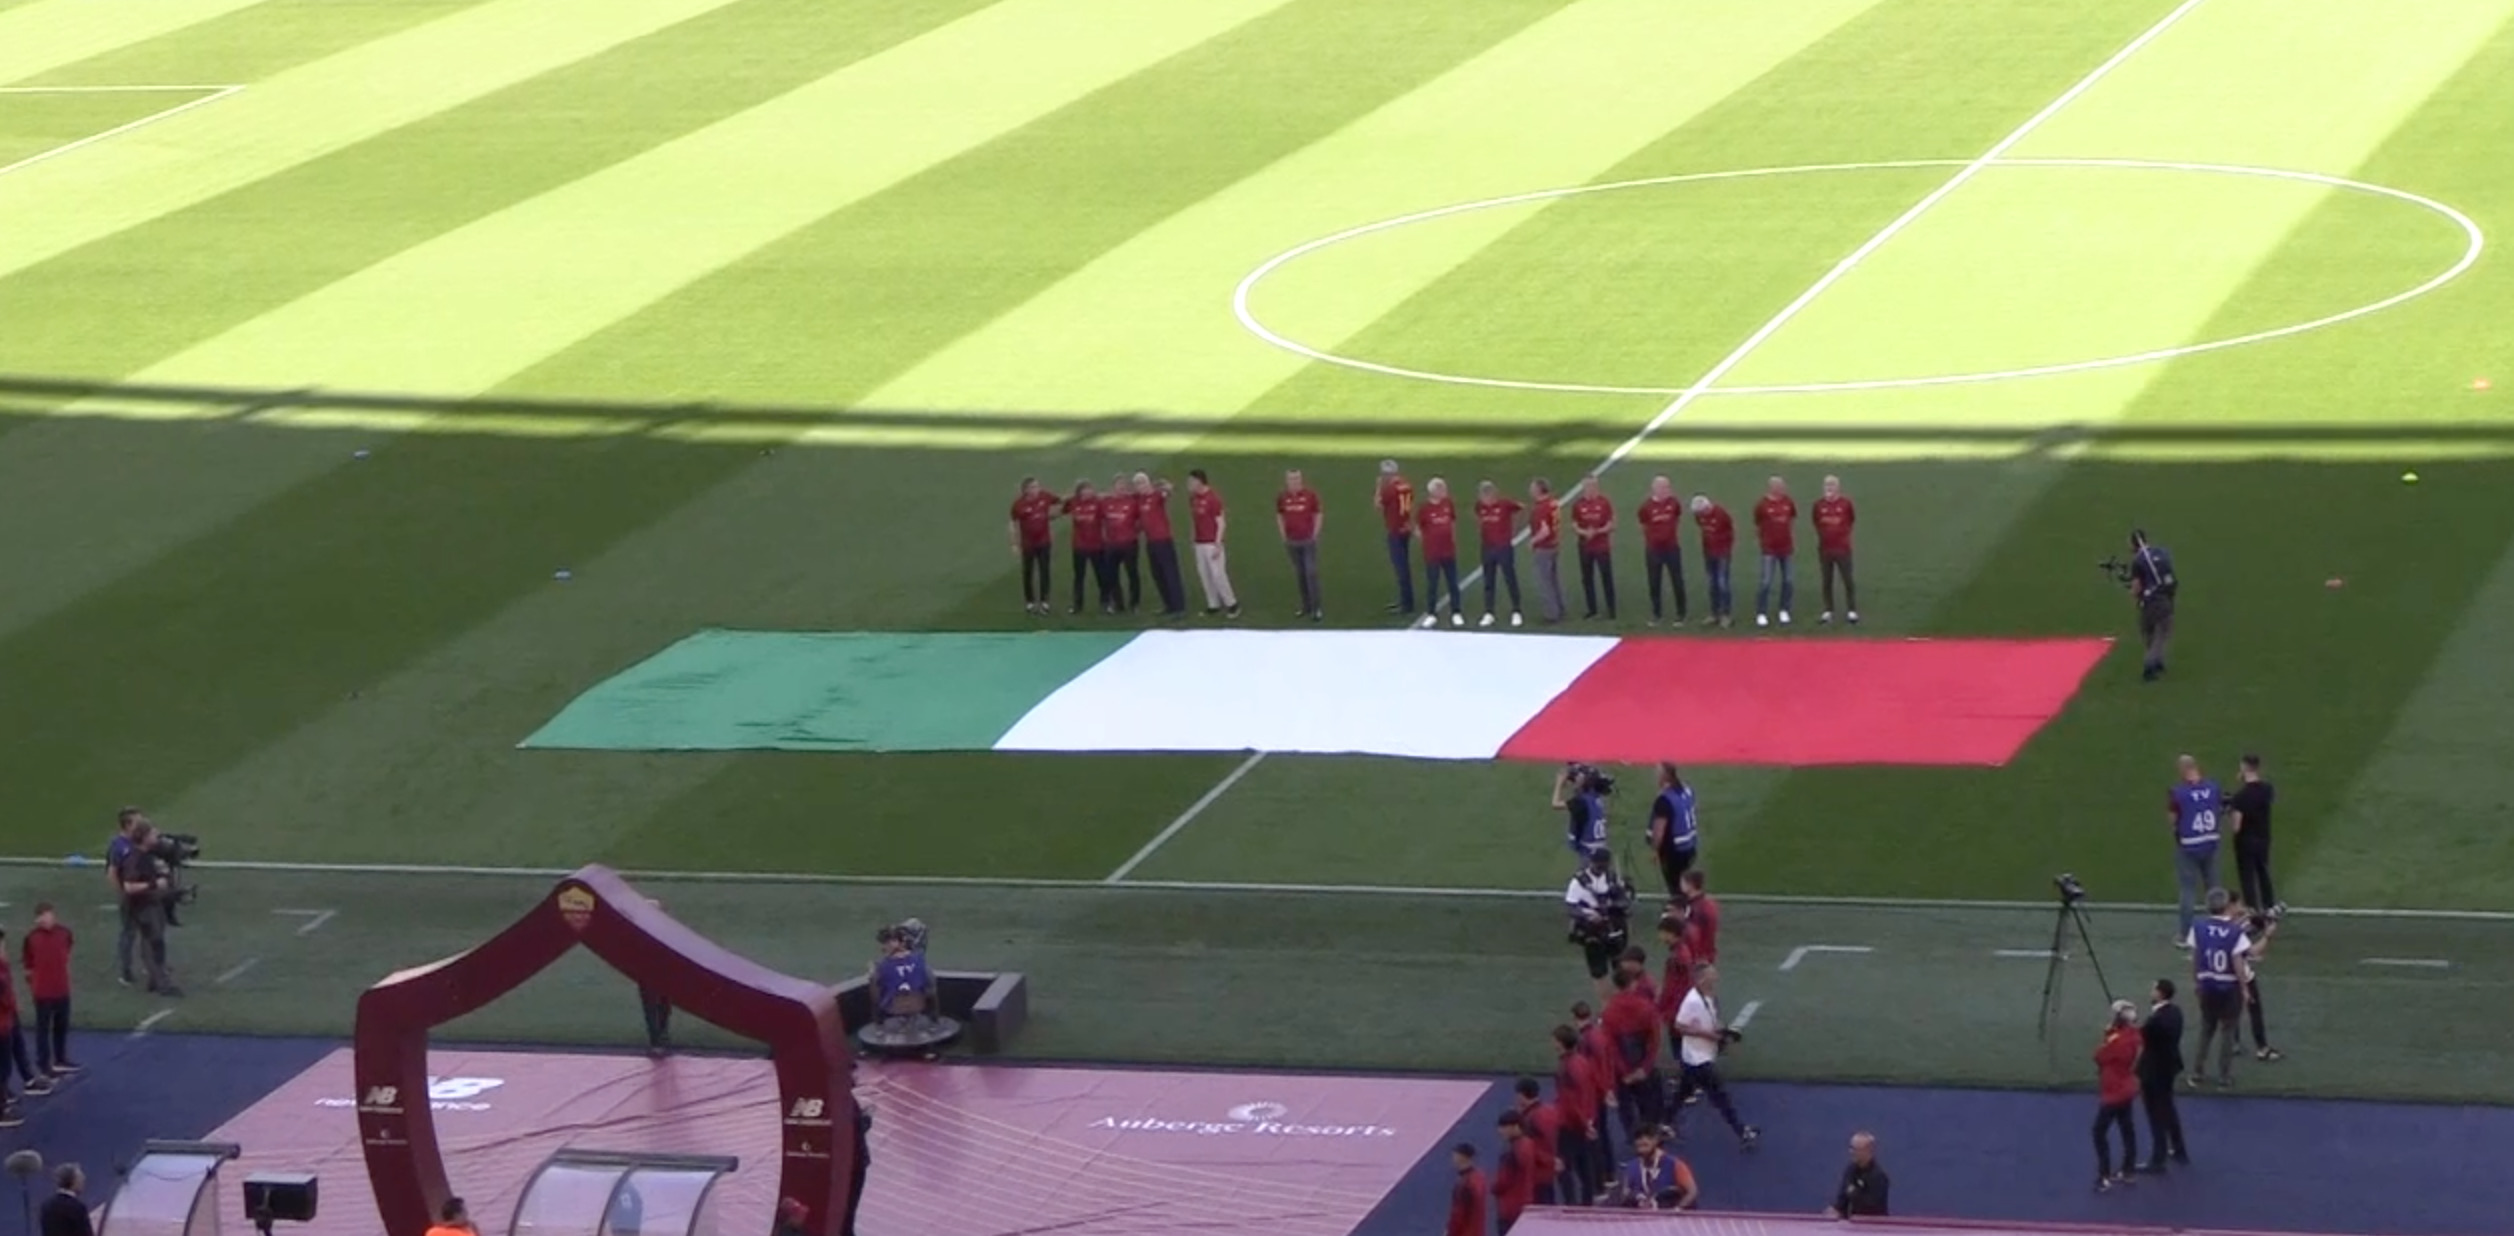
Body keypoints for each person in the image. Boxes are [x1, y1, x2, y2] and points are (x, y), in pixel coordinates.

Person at [1669, 963, 1758, 1149]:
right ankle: (1741, 1131)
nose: (1716, 976)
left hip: (1698, 1055)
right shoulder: (1692, 1001)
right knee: (1720, 1096)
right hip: (1697, 1058)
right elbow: (1679, 1026)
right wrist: (1708, 1035)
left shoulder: (1707, 997)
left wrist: (1725, 1033)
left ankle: (1663, 1122)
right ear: (1702, 979)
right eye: (1711, 974)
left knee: (1682, 1093)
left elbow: (1708, 1021)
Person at [2190, 888, 2249, 1088]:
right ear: (2226, 906)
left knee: (2206, 1028)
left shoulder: (2198, 927)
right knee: (2228, 1030)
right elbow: (2237, 962)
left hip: (2207, 984)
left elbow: (2196, 957)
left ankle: (2197, 1072)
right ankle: (2224, 1076)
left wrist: (2196, 982)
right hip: (2229, 986)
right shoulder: (2235, 932)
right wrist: (2244, 988)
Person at [2167, 755, 2225, 948]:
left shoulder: (2178, 793)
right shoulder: (2213, 788)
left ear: (2183, 771)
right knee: (2214, 887)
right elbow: (2219, 809)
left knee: (2188, 890)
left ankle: (2185, 935)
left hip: (2189, 845)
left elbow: (2173, 820)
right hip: (2210, 842)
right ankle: (2219, 929)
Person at [117, 822, 179, 996]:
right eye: (152, 835)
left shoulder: (146, 856)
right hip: (143, 907)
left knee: (153, 943)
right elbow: (129, 886)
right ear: (144, 838)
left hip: (151, 904)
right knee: (154, 943)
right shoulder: (135, 859)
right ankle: (161, 983)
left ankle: (155, 980)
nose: (156, 838)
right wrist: (154, 884)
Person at [1601, 969, 1664, 1139]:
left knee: (1626, 1109)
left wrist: (1625, 1072)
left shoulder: (1609, 1011)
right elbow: (1654, 1040)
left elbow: (1610, 1047)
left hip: (1622, 1071)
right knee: (1649, 1106)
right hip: (1644, 1065)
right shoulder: (1646, 1007)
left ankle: (1635, 1140)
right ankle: (1651, 1139)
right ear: (1633, 984)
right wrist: (1644, 1068)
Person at [1565, 850, 1633, 1004]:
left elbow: (1624, 902)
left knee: (1620, 966)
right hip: (1592, 930)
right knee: (1599, 972)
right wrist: (1587, 916)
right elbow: (1571, 906)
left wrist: (1619, 901)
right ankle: (1607, 1005)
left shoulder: (1613, 878)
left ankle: (1623, 1001)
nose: (1600, 867)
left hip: (1613, 927)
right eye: (1597, 864)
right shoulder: (1579, 882)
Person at [1550, 1025, 1607, 1205]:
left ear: (1561, 1043)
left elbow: (1570, 1102)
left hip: (1570, 1124)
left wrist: (1584, 1124)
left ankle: (1570, 1204)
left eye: (1555, 1040)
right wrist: (1590, 1119)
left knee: (1563, 1168)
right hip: (1583, 1119)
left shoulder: (1565, 1068)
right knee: (1584, 1165)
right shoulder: (1582, 1061)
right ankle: (1587, 1202)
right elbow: (1590, 1091)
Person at [2137, 978, 2189, 1172]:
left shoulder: (2157, 1020)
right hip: (2169, 1068)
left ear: (2160, 993)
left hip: (2153, 1072)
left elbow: (2142, 1035)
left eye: (2153, 989)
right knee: (2168, 1109)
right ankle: (2178, 1149)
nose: (2151, 992)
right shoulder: (2175, 1013)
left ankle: (2157, 1160)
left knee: (2155, 1115)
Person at [2093, 1000, 2141, 1192]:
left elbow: (2099, 1057)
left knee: (2098, 1132)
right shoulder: (2134, 1036)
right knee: (2127, 1129)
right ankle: (2128, 1170)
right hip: (2127, 1089)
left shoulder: (2116, 1041)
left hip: (2113, 1092)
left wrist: (2108, 1037)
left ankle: (2104, 1176)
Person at [2229, 894, 2284, 1063]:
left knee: (2231, 1012)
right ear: (2231, 905)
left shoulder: (2218, 924)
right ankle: (2262, 1048)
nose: (2242, 906)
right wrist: (2267, 935)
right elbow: (2253, 951)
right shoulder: (2235, 928)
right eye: (2239, 904)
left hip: (2223, 976)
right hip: (2241, 975)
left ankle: (2233, 1042)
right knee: (2254, 1010)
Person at [23, 903, 76, 1077]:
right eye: (42, 916)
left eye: (48, 915)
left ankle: (60, 1059)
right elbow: (28, 965)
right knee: (43, 1029)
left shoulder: (64, 933)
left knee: (61, 1025)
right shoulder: (31, 938)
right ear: (37, 919)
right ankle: (44, 1063)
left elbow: (67, 951)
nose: (46, 919)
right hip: (42, 992)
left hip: (62, 988)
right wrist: (34, 986)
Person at [2228, 754, 2281, 917]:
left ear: (2244, 767)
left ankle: (2252, 911)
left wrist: (2230, 810)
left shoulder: (2240, 797)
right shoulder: (2267, 789)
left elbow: (2236, 826)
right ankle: (2269, 906)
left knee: (2247, 878)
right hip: (2263, 838)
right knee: (2263, 871)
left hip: (2245, 842)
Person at [1186, 471, 1240, 619]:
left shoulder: (1213, 498)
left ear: (1199, 481)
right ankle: (1213, 604)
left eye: (1191, 481)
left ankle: (1232, 603)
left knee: (1218, 574)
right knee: (1204, 574)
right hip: (1199, 542)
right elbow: (1194, 520)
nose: (1189, 484)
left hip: (1211, 542)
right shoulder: (1193, 499)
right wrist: (1193, 538)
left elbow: (1221, 522)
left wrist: (1218, 543)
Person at [2125, 528, 2177, 681]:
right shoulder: (2162, 554)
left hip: (2149, 603)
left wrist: (2132, 594)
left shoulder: (2138, 561)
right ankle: (2158, 662)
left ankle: (2150, 665)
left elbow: (2136, 587)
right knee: (2161, 633)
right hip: (2164, 600)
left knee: (2151, 634)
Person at [1637, 477, 1688, 627]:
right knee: (1654, 582)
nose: (1666, 490)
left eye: (1667, 487)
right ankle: (1656, 614)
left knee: (1677, 580)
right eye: (1663, 487)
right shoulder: (1646, 507)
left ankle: (1681, 613)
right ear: (1655, 489)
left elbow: (1677, 517)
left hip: (1671, 548)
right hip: (1654, 550)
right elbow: (1642, 523)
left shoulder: (1674, 503)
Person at [1135, 472, 1188, 618]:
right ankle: (1168, 605)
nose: (1141, 486)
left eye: (1142, 483)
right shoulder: (1140, 500)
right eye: (1138, 484)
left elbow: (1169, 491)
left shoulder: (1157, 496)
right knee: (1158, 574)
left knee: (1170, 573)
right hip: (1151, 542)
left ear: (1148, 483)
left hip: (1163, 540)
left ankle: (1179, 607)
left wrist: (1166, 486)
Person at [1473, 481, 1525, 627]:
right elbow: (1478, 517)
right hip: (1487, 548)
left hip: (1503, 547)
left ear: (1492, 494)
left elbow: (1521, 508)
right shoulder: (1480, 507)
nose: (1483, 500)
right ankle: (1489, 612)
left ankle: (1516, 610)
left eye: (1485, 496)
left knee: (1510, 578)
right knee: (1488, 581)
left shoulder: (1505, 504)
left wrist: (1514, 529)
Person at [1645, 763, 1700, 900]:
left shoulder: (1664, 800)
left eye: (1658, 772)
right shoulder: (1687, 791)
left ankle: (1682, 914)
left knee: (1676, 888)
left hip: (1673, 852)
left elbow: (1659, 829)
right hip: (1690, 846)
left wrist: (1655, 851)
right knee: (1686, 883)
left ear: (1665, 776)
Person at [1276, 470, 1324, 622]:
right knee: (1300, 574)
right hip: (1292, 540)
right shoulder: (1283, 497)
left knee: (1310, 572)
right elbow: (1280, 514)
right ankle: (1306, 605)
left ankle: (1316, 608)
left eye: (1297, 479)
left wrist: (1315, 533)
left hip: (1308, 540)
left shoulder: (1310, 495)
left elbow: (1318, 513)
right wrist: (1283, 533)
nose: (1294, 482)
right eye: (1291, 479)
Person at [1752, 476, 1797, 628]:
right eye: (1778, 486)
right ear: (1771, 487)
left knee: (1788, 580)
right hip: (1769, 549)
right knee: (1766, 581)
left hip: (1786, 548)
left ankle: (1784, 610)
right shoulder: (1762, 505)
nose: (1781, 489)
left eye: (1782, 486)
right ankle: (1761, 612)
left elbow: (1792, 518)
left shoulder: (1788, 502)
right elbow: (1757, 522)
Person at [1812, 474, 1858, 625]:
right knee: (1827, 580)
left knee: (1847, 579)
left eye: (1832, 485)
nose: (1829, 488)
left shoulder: (1845, 504)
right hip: (1825, 549)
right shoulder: (1818, 505)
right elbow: (1816, 522)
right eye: (1827, 485)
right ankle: (1828, 610)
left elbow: (1851, 520)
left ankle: (1851, 610)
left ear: (1838, 487)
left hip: (1843, 549)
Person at [1418, 478, 1464, 626]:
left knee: (1452, 582)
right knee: (1433, 583)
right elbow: (1418, 527)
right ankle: (1431, 613)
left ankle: (1456, 611)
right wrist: (1425, 541)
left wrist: (1454, 540)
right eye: (1442, 489)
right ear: (1434, 491)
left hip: (1448, 550)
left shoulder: (1448, 504)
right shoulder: (1425, 509)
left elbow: (1452, 522)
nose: (1445, 491)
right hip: (1433, 552)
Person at [1617, 1125, 1697, 1210]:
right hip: (1641, 1220)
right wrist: (1636, 1199)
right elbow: (1625, 1194)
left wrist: (1677, 1209)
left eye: (1645, 1142)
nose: (1640, 1142)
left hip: (1671, 1219)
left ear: (1656, 1141)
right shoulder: (1631, 1167)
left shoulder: (1675, 1164)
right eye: (1638, 1140)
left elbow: (1692, 1192)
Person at [1570, 476, 1617, 620]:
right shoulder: (1578, 505)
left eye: (1592, 486)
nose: (1590, 489)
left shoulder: (1604, 502)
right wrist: (1584, 533)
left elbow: (1612, 523)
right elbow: (1574, 524)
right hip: (1585, 547)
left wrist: (1597, 531)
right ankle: (1592, 609)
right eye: (1587, 486)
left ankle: (1611, 609)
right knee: (1587, 578)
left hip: (1601, 546)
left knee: (1606, 577)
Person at [1510, 1077, 1563, 1205]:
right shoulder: (1548, 1111)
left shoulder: (1531, 1119)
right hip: (1547, 1169)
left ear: (1522, 1095)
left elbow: (1530, 1147)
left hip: (1536, 1171)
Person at [1008, 477, 1057, 615]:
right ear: (1026, 490)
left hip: (1044, 542)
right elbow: (1012, 524)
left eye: (1037, 486)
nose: (1037, 489)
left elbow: (1060, 501)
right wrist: (1014, 544)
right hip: (1028, 544)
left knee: (1044, 571)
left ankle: (1044, 601)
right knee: (1028, 572)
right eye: (1034, 487)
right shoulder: (1019, 505)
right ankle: (1030, 601)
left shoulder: (1045, 497)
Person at [1375, 459, 1417, 615]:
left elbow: (1378, 505)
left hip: (1395, 529)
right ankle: (1406, 600)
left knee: (1401, 567)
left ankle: (1407, 604)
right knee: (1404, 565)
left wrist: (1379, 487)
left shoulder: (1389, 489)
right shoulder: (1406, 485)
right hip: (1405, 527)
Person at [1059, 480, 1107, 615]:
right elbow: (1062, 510)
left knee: (1101, 575)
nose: (1087, 493)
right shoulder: (1073, 502)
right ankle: (1077, 605)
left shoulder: (1098, 503)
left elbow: (1106, 515)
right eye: (1084, 491)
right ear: (1079, 492)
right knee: (1079, 577)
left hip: (1097, 545)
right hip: (1079, 546)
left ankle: (1105, 602)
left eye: (1089, 490)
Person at [106, 810, 142, 986]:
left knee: (151, 930)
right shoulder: (118, 846)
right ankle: (126, 971)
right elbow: (112, 872)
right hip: (129, 896)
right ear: (128, 825)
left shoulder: (138, 841)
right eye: (138, 822)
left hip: (144, 894)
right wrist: (122, 893)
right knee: (129, 933)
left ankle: (152, 965)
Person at [1491, 1111, 1541, 1233]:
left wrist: (1494, 1188)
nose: (1500, 1131)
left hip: (1509, 1207)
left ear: (1515, 1127)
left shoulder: (1511, 1151)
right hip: (1526, 1202)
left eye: (1504, 1127)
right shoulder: (1529, 1144)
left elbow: (1503, 1181)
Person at [1690, 495, 1735, 627]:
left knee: (1723, 584)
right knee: (1712, 584)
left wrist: (1726, 549)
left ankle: (1726, 615)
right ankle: (1714, 614)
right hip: (1709, 553)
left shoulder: (1721, 514)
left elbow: (1730, 530)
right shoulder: (1699, 517)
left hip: (1722, 554)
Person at [1102, 474, 1143, 613]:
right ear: (1113, 487)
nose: (1122, 488)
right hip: (1112, 545)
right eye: (1119, 485)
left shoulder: (1132, 502)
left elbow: (1142, 519)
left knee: (1132, 573)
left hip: (1129, 544)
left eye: (1124, 486)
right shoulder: (1106, 502)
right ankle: (1118, 603)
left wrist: (1135, 531)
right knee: (1112, 575)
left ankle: (1134, 603)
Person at [1824, 1131, 1890, 1218]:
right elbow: (1842, 1200)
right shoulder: (1850, 1170)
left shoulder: (1879, 1177)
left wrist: (1854, 1193)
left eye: (1856, 1149)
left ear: (1868, 1151)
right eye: (1851, 1148)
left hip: (1872, 1228)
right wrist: (1835, 1210)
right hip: (1850, 1227)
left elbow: (1872, 1208)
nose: (1851, 1152)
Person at [1553, 764, 1611, 860]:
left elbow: (1555, 804)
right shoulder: (1596, 797)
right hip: (1601, 849)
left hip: (1589, 852)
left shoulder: (1580, 802)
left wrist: (1559, 783)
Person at [1528, 479, 1566, 623]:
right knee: (1555, 580)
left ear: (1539, 490)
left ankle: (1551, 613)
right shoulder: (1553, 503)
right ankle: (1560, 608)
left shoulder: (1541, 508)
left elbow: (1545, 530)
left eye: (1533, 488)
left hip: (1544, 548)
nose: (1530, 490)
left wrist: (1533, 541)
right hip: (1554, 545)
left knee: (1545, 581)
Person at [1445, 1143, 1488, 1236]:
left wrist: (1450, 1232)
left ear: (1461, 1157)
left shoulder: (1464, 1184)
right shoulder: (1479, 1177)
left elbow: (1458, 1213)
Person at [1679, 870, 1720, 963]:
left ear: (1690, 884)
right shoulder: (1709, 903)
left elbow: (1692, 934)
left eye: (1683, 882)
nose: (1680, 885)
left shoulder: (1696, 908)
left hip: (1697, 956)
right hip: (1707, 953)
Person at [40, 1166, 92, 1236]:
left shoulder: (46, 1206)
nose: (83, 1182)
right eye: (80, 1179)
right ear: (73, 1182)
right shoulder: (77, 1208)